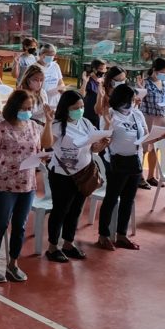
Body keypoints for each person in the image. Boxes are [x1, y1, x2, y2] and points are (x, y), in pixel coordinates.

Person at [0, 90, 53, 283]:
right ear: (14, 108)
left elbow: (46, 144)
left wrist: (49, 123)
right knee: (1, 223)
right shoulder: (2, 128)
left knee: (19, 226)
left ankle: (13, 263)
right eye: (24, 108)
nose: (28, 112)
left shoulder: (34, 126)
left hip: (27, 184)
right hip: (6, 184)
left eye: (30, 108)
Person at [46, 90, 109, 262]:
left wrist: (101, 144)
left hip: (84, 173)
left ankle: (68, 242)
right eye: (75, 107)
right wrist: (47, 123)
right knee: (60, 210)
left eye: (81, 106)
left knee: (75, 210)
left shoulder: (86, 123)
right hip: (62, 175)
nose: (80, 110)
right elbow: (46, 144)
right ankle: (52, 246)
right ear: (66, 108)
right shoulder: (57, 125)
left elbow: (93, 148)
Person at [97, 84, 146, 251]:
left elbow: (145, 135)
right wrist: (109, 123)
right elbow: (102, 139)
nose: (132, 103)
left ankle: (122, 235)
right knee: (111, 198)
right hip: (116, 163)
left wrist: (158, 136)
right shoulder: (110, 114)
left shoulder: (137, 114)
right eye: (129, 100)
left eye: (133, 100)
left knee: (128, 199)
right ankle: (103, 235)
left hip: (135, 161)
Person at [140, 57, 165, 187]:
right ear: (154, 70)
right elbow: (139, 99)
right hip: (148, 118)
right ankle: (139, 176)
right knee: (143, 148)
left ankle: (151, 176)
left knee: (156, 148)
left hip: (162, 118)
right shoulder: (145, 83)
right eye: (163, 72)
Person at [81, 59, 106, 127]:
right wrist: (85, 82)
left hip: (100, 113)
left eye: (105, 69)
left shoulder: (104, 81)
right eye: (101, 69)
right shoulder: (89, 80)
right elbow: (81, 95)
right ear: (94, 69)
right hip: (89, 113)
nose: (103, 71)